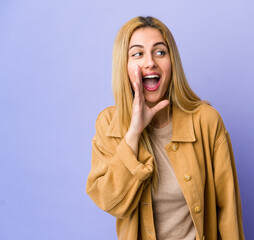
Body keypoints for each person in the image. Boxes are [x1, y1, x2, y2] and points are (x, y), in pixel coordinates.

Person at [86, 16, 244, 240]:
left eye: (160, 52)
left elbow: (228, 211)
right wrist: (133, 133)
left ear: (172, 62)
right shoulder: (108, 124)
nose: (150, 62)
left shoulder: (206, 121)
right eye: (137, 54)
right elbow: (109, 201)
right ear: (124, 64)